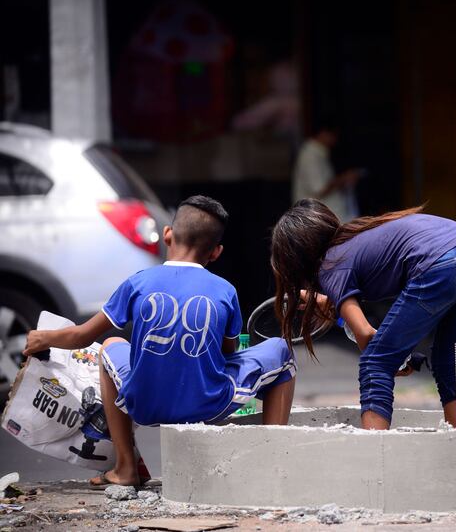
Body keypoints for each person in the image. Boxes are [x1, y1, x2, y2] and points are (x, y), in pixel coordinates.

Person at [23, 195, 297, 486]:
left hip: (143, 406)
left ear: (168, 234)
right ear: (216, 252)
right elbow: (228, 352)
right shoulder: (225, 290)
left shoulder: (137, 282)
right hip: (209, 404)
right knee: (281, 350)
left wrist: (44, 337)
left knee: (110, 345)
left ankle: (126, 467)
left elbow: (82, 336)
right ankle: (272, 463)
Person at [270, 198, 456, 430]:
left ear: (298, 261)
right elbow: (372, 333)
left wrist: (391, 357)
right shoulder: (358, 238)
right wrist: (339, 310)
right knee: (450, 360)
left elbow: (366, 336)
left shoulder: (330, 265)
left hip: (441, 263)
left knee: (374, 364)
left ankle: (375, 452)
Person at [292, 119, 360, 222]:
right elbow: (319, 188)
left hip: (326, 216)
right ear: (324, 133)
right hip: (318, 219)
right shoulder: (310, 154)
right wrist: (343, 179)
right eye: (333, 136)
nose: (335, 140)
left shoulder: (319, 153)